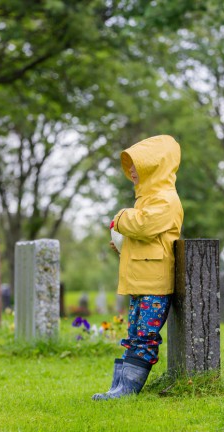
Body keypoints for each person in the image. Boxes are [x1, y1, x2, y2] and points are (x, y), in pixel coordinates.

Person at [92, 135, 184, 401]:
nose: (131, 171)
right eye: (130, 166)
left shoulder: (166, 200)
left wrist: (120, 218)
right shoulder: (148, 199)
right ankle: (119, 387)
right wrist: (124, 245)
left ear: (155, 167)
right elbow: (149, 238)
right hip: (143, 279)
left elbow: (144, 226)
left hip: (155, 283)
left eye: (137, 166)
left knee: (145, 334)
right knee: (133, 332)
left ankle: (128, 390)